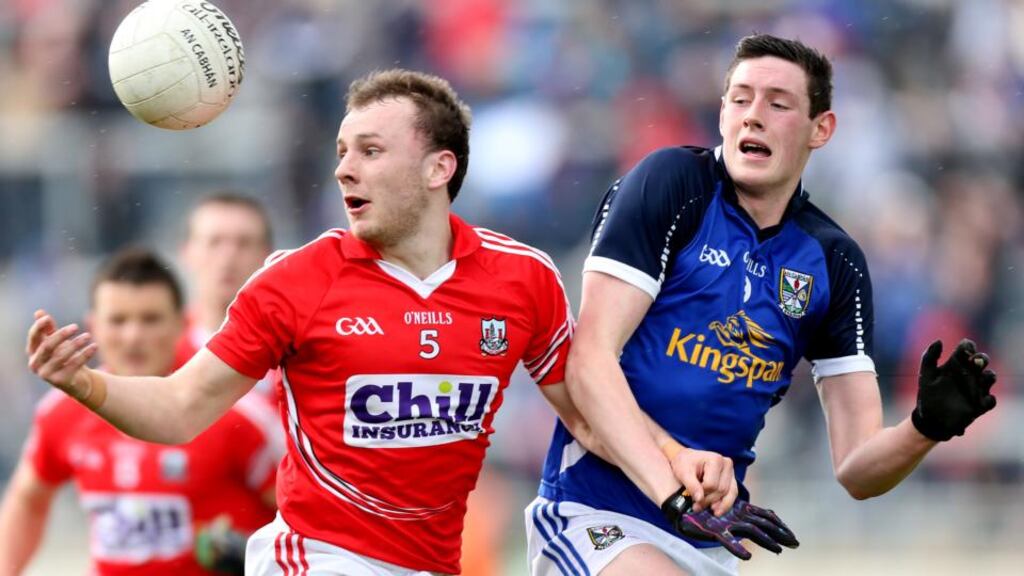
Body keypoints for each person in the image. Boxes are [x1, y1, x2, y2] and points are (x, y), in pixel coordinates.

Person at [22, 69, 709, 576]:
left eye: (370, 151)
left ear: (440, 168)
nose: (344, 170)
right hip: (315, 558)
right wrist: (86, 384)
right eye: (342, 152)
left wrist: (677, 465)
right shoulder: (296, 279)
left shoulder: (522, 278)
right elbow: (178, 409)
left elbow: (589, 418)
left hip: (432, 562)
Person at [528, 34, 998, 576]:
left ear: (821, 129)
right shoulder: (670, 185)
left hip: (712, 537)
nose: (753, 116)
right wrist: (673, 493)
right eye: (740, 99)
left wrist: (924, 428)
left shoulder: (833, 261)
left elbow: (857, 469)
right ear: (722, 112)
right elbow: (588, 361)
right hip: (595, 514)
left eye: (778, 104)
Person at [1, 249, 280, 576]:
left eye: (150, 319)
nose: (133, 336)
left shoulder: (236, 411)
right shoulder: (62, 410)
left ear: (182, 323)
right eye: (118, 320)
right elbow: (28, 498)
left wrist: (257, 558)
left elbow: (301, 509)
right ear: (93, 325)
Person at [174, 193, 274, 368]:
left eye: (244, 243)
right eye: (214, 242)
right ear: (187, 252)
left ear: (269, 256)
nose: (228, 256)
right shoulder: (160, 352)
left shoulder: (294, 354)